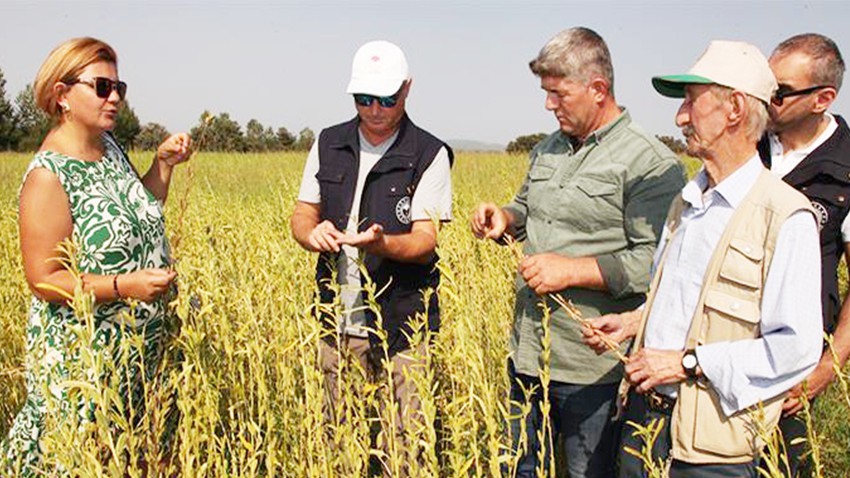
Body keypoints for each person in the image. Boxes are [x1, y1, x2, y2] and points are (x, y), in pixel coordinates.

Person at [583, 40, 824, 477]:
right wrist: (634, 322)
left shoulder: (784, 216)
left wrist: (688, 362)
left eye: (691, 102)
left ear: (734, 108)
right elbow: (687, 299)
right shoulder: (688, 201)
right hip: (644, 423)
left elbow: (797, 348)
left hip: (709, 450)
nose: (679, 118)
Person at [471, 27, 684, 478]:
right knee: (520, 469)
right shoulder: (548, 148)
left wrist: (573, 271)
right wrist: (505, 219)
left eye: (558, 94)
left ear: (598, 89)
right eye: (545, 93)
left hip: (591, 369)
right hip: (527, 355)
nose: (549, 105)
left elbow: (658, 264)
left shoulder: (650, 163)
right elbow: (528, 208)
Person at [3, 37, 192, 475]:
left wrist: (161, 166)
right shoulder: (48, 177)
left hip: (140, 356)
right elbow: (44, 279)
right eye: (102, 86)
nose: (115, 98)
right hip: (86, 366)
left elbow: (133, 212)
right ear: (62, 95)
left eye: (119, 87)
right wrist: (126, 287)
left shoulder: (111, 151)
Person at [289, 40, 452, 468]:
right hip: (335, 325)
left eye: (386, 99)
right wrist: (313, 234)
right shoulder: (327, 143)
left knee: (404, 449)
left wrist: (381, 245)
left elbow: (425, 241)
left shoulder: (429, 154)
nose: (375, 109)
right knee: (340, 445)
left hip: (401, 329)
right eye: (364, 99)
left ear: (407, 90)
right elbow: (302, 215)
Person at [756, 33, 849, 477]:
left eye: (780, 92)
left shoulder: (847, 171)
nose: (766, 98)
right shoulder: (744, 147)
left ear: (823, 98)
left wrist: (829, 365)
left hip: (795, 368)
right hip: (724, 354)